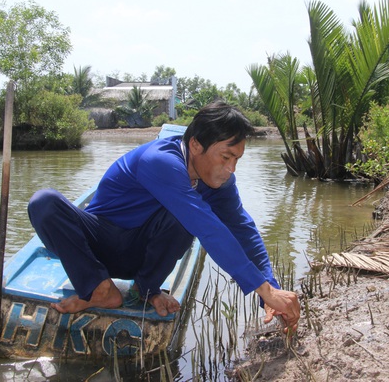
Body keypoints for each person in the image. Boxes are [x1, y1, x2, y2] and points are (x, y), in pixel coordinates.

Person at [27, 101, 300, 334]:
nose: (230, 169)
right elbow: (209, 230)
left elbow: (242, 230)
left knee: (188, 213)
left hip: (139, 255)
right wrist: (263, 290)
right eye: (226, 157)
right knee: (44, 202)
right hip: (98, 244)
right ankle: (98, 288)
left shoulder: (218, 182)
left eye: (237, 160)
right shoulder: (159, 161)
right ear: (195, 145)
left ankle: (147, 289)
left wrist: (271, 291)